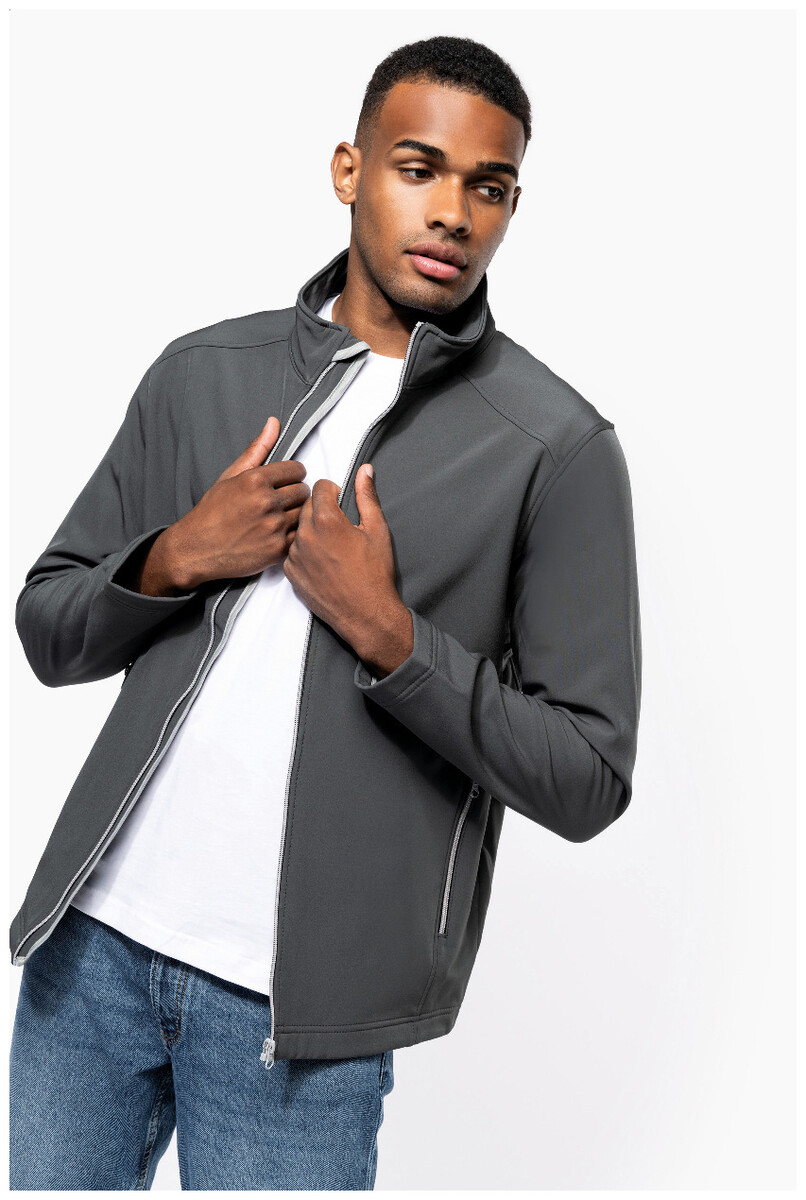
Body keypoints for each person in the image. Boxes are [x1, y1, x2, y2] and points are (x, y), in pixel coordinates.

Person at [9, 33, 642, 1191]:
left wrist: (392, 638)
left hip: (297, 1027)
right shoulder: (203, 371)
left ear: (511, 207)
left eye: (487, 186)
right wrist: (177, 555)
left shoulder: (553, 450)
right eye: (417, 167)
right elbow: (48, 629)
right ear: (348, 170)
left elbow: (586, 778)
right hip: (89, 955)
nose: (449, 212)